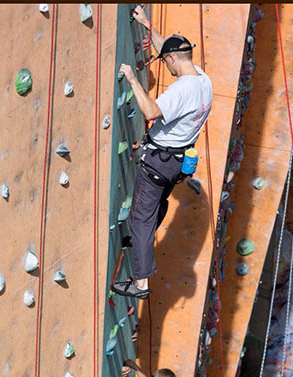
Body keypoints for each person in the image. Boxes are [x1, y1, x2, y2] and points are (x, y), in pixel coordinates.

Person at [111, 4, 213, 300]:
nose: (165, 67)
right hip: (177, 163)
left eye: (165, 61)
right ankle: (144, 238)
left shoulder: (181, 91)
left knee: (139, 219)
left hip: (159, 161)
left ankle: (140, 283)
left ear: (171, 59)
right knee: (155, 206)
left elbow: (152, 110)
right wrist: (145, 24)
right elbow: (168, 49)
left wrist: (132, 79)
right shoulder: (203, 81)